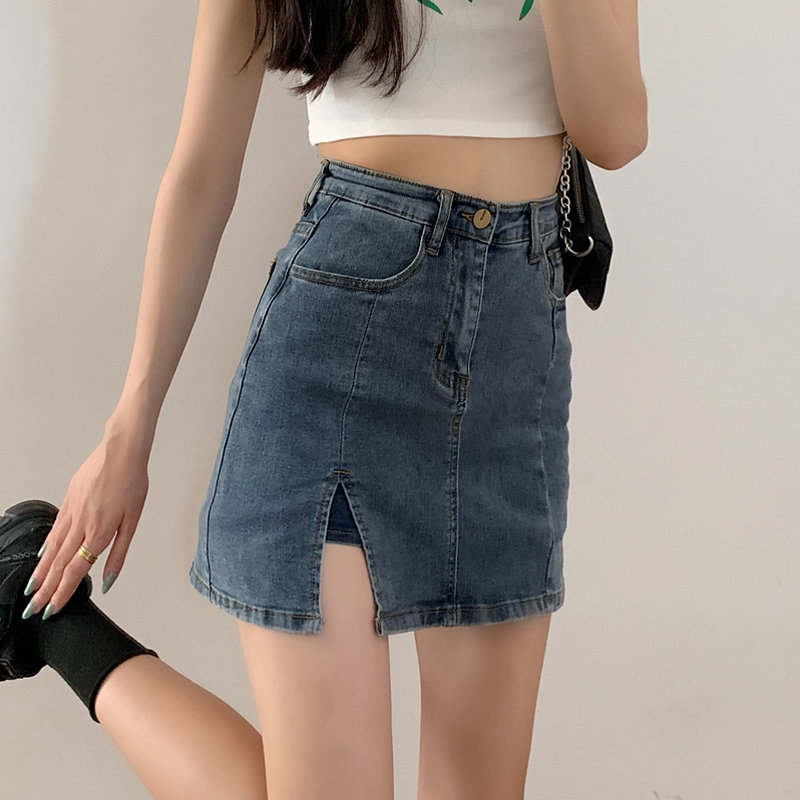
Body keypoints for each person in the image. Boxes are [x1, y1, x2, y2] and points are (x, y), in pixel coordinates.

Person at [0, 0, 647, 797]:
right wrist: (129, 428)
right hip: (341, 343)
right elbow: (201, 173)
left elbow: (616, 131)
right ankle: (59, 632)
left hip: (512, 360)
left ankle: (58, 630)